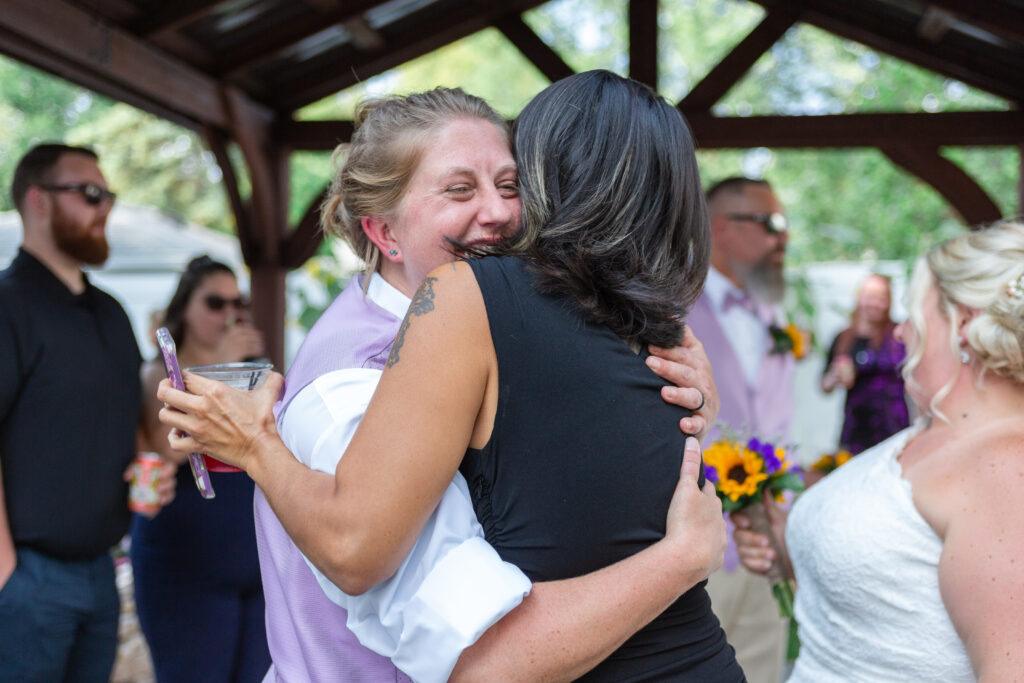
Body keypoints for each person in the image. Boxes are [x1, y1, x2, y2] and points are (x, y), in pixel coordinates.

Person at [160, 72, 742, 681]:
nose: (496, 212)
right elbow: (472, 645)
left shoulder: (513, 325)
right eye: (459, 190)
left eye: (510, 185)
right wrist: (680, 558)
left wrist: (682, 395)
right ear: (383, 232)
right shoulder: (349, 390)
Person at [734, 220, 1024, 681]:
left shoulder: (1004, 468)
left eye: (913, 314)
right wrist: (788, 544)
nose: (904, 332)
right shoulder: (931, 429)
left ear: (964, 322)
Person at [0, 144, 175, 681]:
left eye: (109, 196)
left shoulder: (110, 311)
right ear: (39, 202)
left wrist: (151, 466)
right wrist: (6, 573)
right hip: (28, 576)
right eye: (90, 194)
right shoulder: (8, 305)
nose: (105, 208)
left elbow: (128, 423)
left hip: (103, 570)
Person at [132, 255, 270, 681]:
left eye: (237, 303)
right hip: (183, 564)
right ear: (185, 309)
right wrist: (219, 369)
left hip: (254, 560)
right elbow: (164, 451)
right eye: (215, 303)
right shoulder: (157, 373)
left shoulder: (255, 374)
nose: (230, 314)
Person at [685, 176, 793, 683]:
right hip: (693, 552)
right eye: (772, 223)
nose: (783, 238)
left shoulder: (773, 313)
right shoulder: (669, 307)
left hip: (768, 543)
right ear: (723, 229)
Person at [821, 273, 909, 455]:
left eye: (881, 299)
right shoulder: (844, 338)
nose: (875, 304)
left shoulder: (898, 335)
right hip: (856, 429)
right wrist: (834, 376)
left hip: (894, 426)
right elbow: (824, 385)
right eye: (870, 297)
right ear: (860, 298)